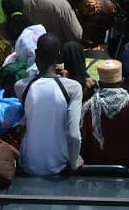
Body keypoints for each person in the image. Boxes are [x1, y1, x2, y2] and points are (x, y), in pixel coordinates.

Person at [16, 34, 83, 176]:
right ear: (59, 57)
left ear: (36, 54)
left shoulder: (21, 86)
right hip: (59, 165)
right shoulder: (73, 88)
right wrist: (74, 161)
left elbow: (21, 124)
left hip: (28, 163)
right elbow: (74, 135)